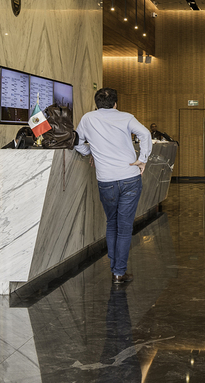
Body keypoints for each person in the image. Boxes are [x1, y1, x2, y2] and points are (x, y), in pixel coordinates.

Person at [74, 88, 152, 285]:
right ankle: (119, 272)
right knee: (124, 227)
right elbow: (145, 134)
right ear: (116, 104)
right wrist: (142, 159)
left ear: (96, 104)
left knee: (112, 223)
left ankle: (115, 269)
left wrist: (90, 152)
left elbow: (76, 142)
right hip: (130, 178)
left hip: (106, 180)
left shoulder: (88, 118)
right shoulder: (126, 117)